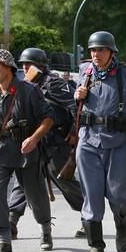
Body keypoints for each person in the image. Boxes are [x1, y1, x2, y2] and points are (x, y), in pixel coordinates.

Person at [74, 31, 126, 252]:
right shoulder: (84, 72)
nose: (96, 54)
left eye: (101, 50)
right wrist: (78, 95)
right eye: (93, 50)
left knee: (117, 194)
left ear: (111, 52)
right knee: (91, 196)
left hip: (117, 142)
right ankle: (96, 246)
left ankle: (122, 222)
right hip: (88, 142)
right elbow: (74, 107)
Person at [0, 49, 55, 252]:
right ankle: (3, 240)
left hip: (26, 151)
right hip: (1, 150)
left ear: (8, 67)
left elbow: (47, 118)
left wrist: (34, 139)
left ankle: (45, 229)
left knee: (36, 196)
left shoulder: (29, 91)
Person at [7, 48, 86, 240]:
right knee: (23, 181)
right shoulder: (24, 85)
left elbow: (78, 107)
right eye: (23, 64)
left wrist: (75, 132)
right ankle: (11, 221)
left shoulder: (54, 84)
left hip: (55, 141)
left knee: (64, 180)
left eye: (29, 64)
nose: (25, 67)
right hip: (33, 140)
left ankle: (88, 217)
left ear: (41, 65)